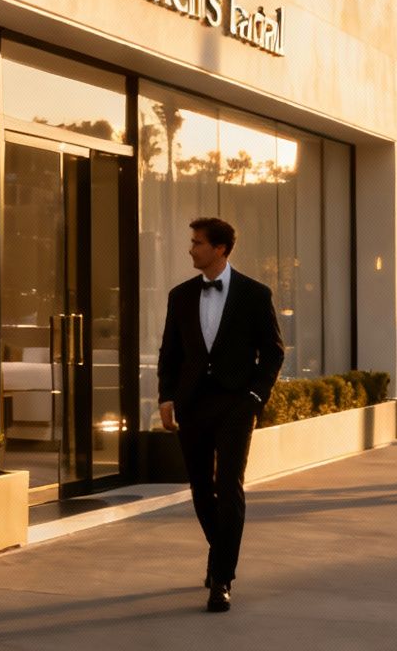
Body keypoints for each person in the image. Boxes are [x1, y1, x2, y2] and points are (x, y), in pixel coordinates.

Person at [157, 216, 286, 613]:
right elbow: (171, 352)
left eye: (197, 243)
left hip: (235, 403)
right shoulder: (180, 295)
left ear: (220, 249)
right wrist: (166, 397)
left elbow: (274, 351)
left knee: (229, 486)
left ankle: (222, 579)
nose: (190, 249)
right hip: (193, 404)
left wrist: (254, 396)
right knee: (200, 487)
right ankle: (220, 553)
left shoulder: (254, 294)